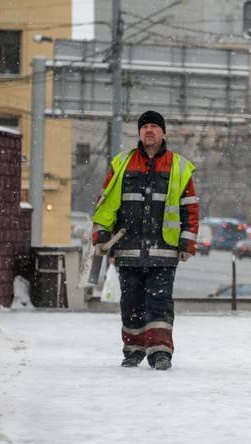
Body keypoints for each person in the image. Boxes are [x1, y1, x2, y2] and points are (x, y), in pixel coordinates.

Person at [92, 111, 199, 370]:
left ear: (163, 133)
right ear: (139, 133)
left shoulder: (179, 167)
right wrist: (101, 235)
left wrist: (187, 242)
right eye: (145, 127)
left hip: (164, 250)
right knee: (131, 303)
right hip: (128, 249)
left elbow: (190, 208)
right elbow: (105, 205)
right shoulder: (122, 164)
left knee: (159, 303)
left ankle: (160, 352)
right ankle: (133, 349)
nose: (149, 131)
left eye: (154, 127)